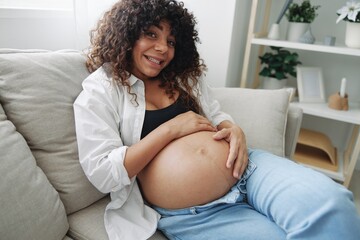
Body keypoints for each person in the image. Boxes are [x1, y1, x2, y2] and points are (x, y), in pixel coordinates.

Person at [73, 0, 360, 239]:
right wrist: (171, 129)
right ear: (127, 34)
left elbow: (216, 113)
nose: (163, 48)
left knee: (334, 204)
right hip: (195, 213)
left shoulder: (182, 76)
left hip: (249, 169)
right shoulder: (101, 90)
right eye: (151, 34)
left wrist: (232, 128)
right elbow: (103, 173)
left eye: (171, 41)